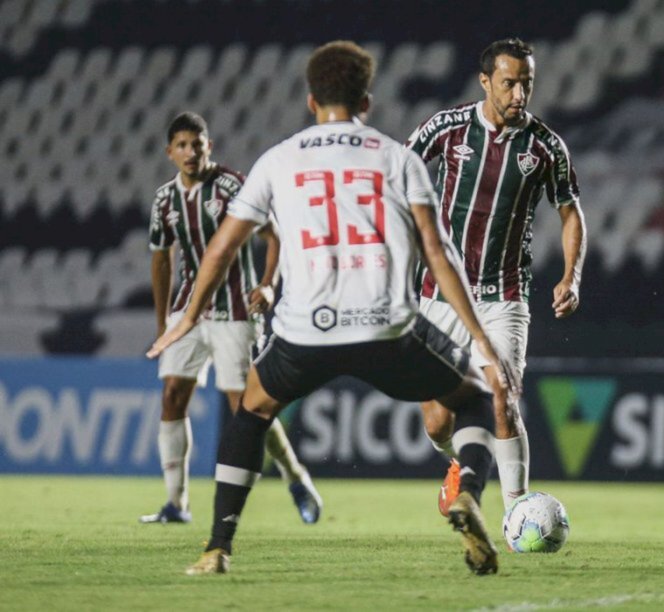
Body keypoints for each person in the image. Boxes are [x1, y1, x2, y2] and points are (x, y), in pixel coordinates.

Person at [148, 41, 519, 576]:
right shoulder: (399, 158)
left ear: (310, 100)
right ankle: (469, 497)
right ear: (366, 101)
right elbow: (438, 255)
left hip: (305, 333)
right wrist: (479, 340)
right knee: (477, 398)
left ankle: (217, 548)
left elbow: (223, 246)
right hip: (387, 328)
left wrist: (186, 317)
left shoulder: (279, 159)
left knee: (250, 412)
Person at [406, 38, 586, 514]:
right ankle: (456, 461)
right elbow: (397, 173)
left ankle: (516, 513)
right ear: (485, 81)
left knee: (502, 397)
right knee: (436, 422)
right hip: (440, 296)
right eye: (509, 84)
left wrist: (573, 275)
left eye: (526, 84)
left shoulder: (546, 147)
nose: (519, 95)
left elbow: (571, 214)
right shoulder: (447, 128)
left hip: (505, 296)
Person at [144, 112, 322, 525]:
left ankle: (295, 475)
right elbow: (160, 261)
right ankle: (176, 503)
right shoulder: (164, 200)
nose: (191, 152)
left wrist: (267, 284)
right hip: (187, 311)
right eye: (182, 145)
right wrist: (161, 325)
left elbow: (273, 235)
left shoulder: (230, 186)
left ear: (210, 146)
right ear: (169, 153)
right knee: (172, 395)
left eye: (198, 143)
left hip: (234, 310)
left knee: (245, 407)